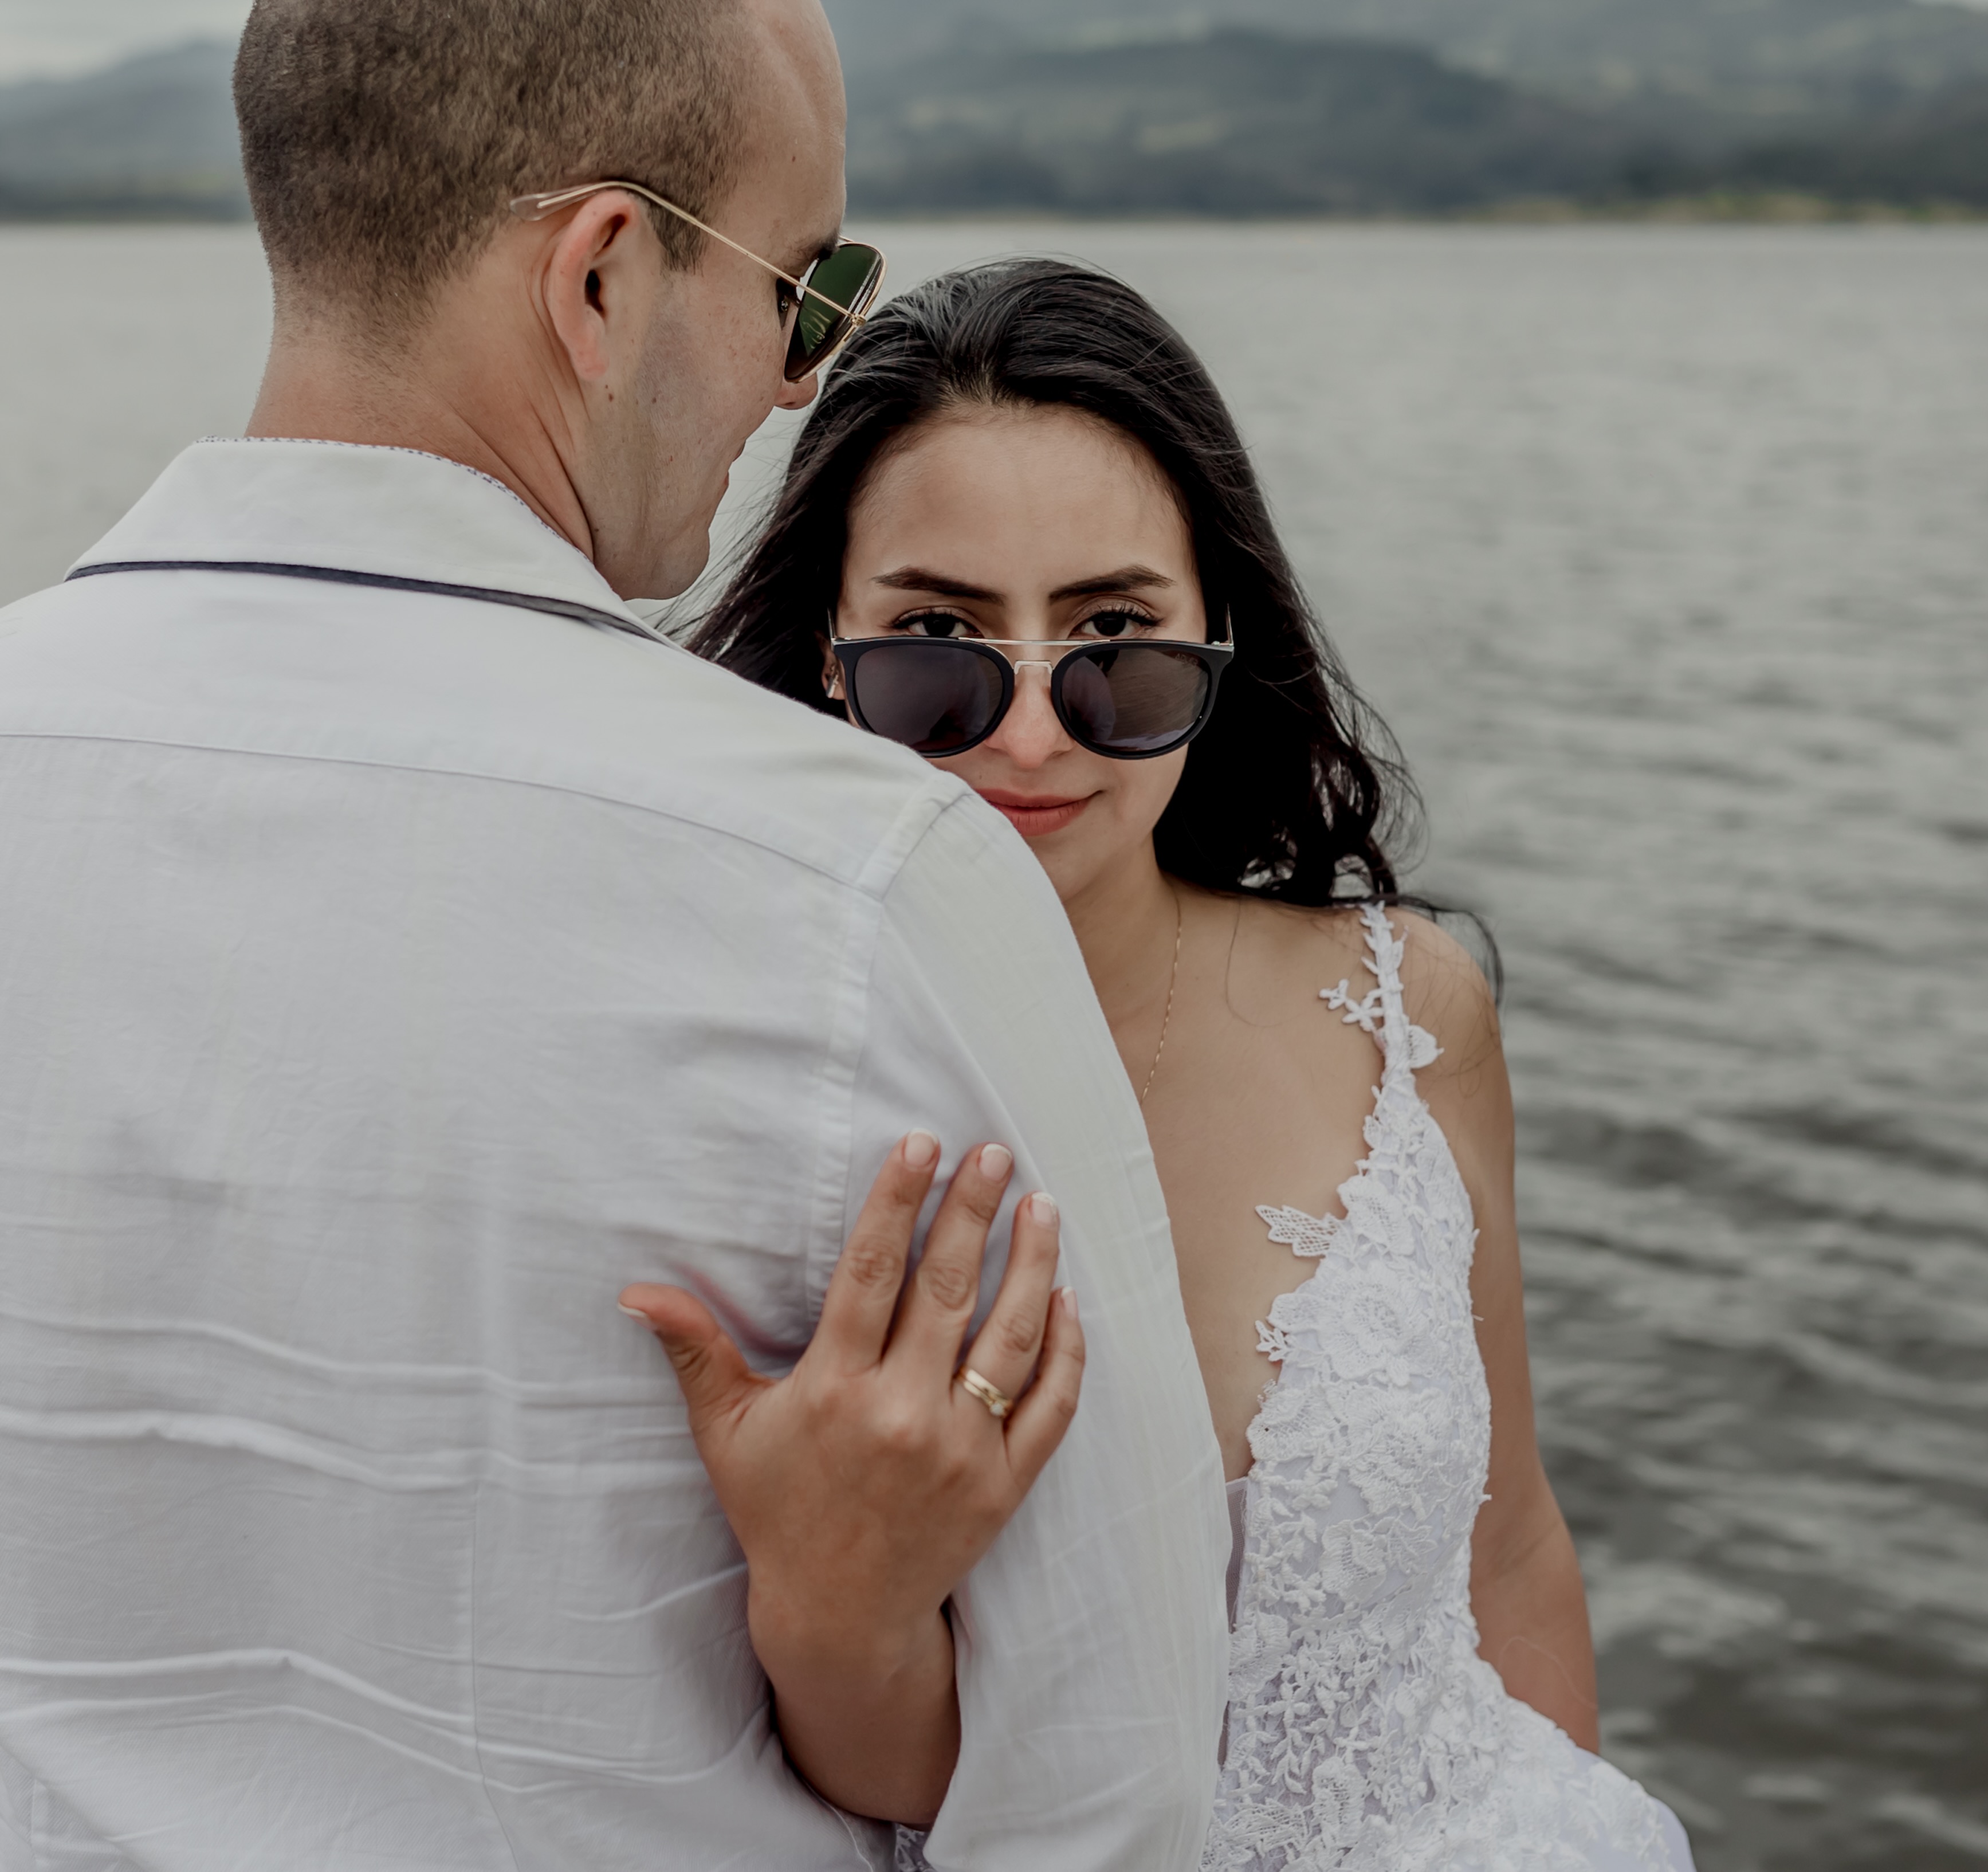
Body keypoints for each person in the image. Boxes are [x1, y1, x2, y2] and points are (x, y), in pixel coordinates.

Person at [0, 5, 1224, 1869]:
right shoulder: (865, 877)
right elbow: (1107, 1784)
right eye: (803, 294)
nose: (799, 383)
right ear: (599, 277)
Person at [690, 261, 1696, 1871]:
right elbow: (887, 1765)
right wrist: (832, 1607)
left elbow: (1507, 1551)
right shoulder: (753, 1083)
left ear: (1216, 644)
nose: (1028, 733)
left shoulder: (1409, 1008)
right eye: (940, 639)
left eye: (1113, 639)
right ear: (830, 652)